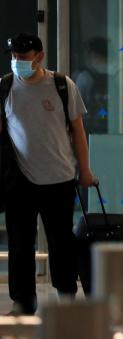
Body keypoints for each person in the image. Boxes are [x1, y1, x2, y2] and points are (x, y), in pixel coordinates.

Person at [0, 33, 95, 315]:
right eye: (14, 56)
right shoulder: (5, 87)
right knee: (20, 243)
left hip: (60, 178)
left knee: (61, 242)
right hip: (20, 180)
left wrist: (85, 169)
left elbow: (78, 130)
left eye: (23, 57)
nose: (18, 62)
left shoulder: (61, 85)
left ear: (39, 57)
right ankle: (23, 300)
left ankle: (66, 295)